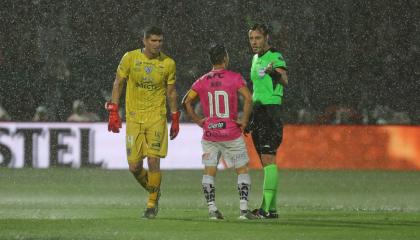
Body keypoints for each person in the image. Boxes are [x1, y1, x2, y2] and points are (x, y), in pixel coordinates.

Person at [105, 26, 180, 219]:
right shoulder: (129, 58)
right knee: (134, 167)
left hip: (156, 117)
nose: (157, 44)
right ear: (144, 41)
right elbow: (118, 83)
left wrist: (175, 117)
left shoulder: (168, 63)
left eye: (160, 41)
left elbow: (171, 92)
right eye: (153, 41)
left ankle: (151, 204)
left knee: (153, 160)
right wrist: (113, 110)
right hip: (134, 118)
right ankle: (154, 190)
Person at [182, 44, 256, 220]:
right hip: (231, 133)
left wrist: (198, 121)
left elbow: (186, 101)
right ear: (225, 58)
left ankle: (212, 210)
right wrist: (244, 121)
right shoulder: (234, 78)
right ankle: (244, 210)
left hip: (210, 135)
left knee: (209, 170)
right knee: (242, 169)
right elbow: (248, 98)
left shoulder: (202, 81)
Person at [247, 23, 289, 219]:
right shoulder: (255, 59)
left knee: (269, 159)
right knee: (266, 163)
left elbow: (284, 80)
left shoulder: (275, 56)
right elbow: (257, 90)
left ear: (266, 38)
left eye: (258, 38)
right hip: (258, 113)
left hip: (270, 112)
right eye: (252, 38)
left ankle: (265, 209)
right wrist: (250, 118)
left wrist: (273, 72)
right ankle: (271, 210)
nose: (254, 42)